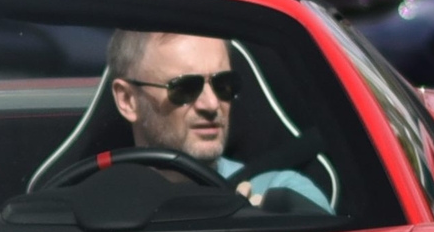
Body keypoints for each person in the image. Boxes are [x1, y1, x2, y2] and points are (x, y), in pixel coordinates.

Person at [104, 29, 331, 210]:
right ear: (128, 100)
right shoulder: (97, 206)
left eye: (224, 84)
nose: (211, 104)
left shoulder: (283, 195)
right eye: (185, 87)